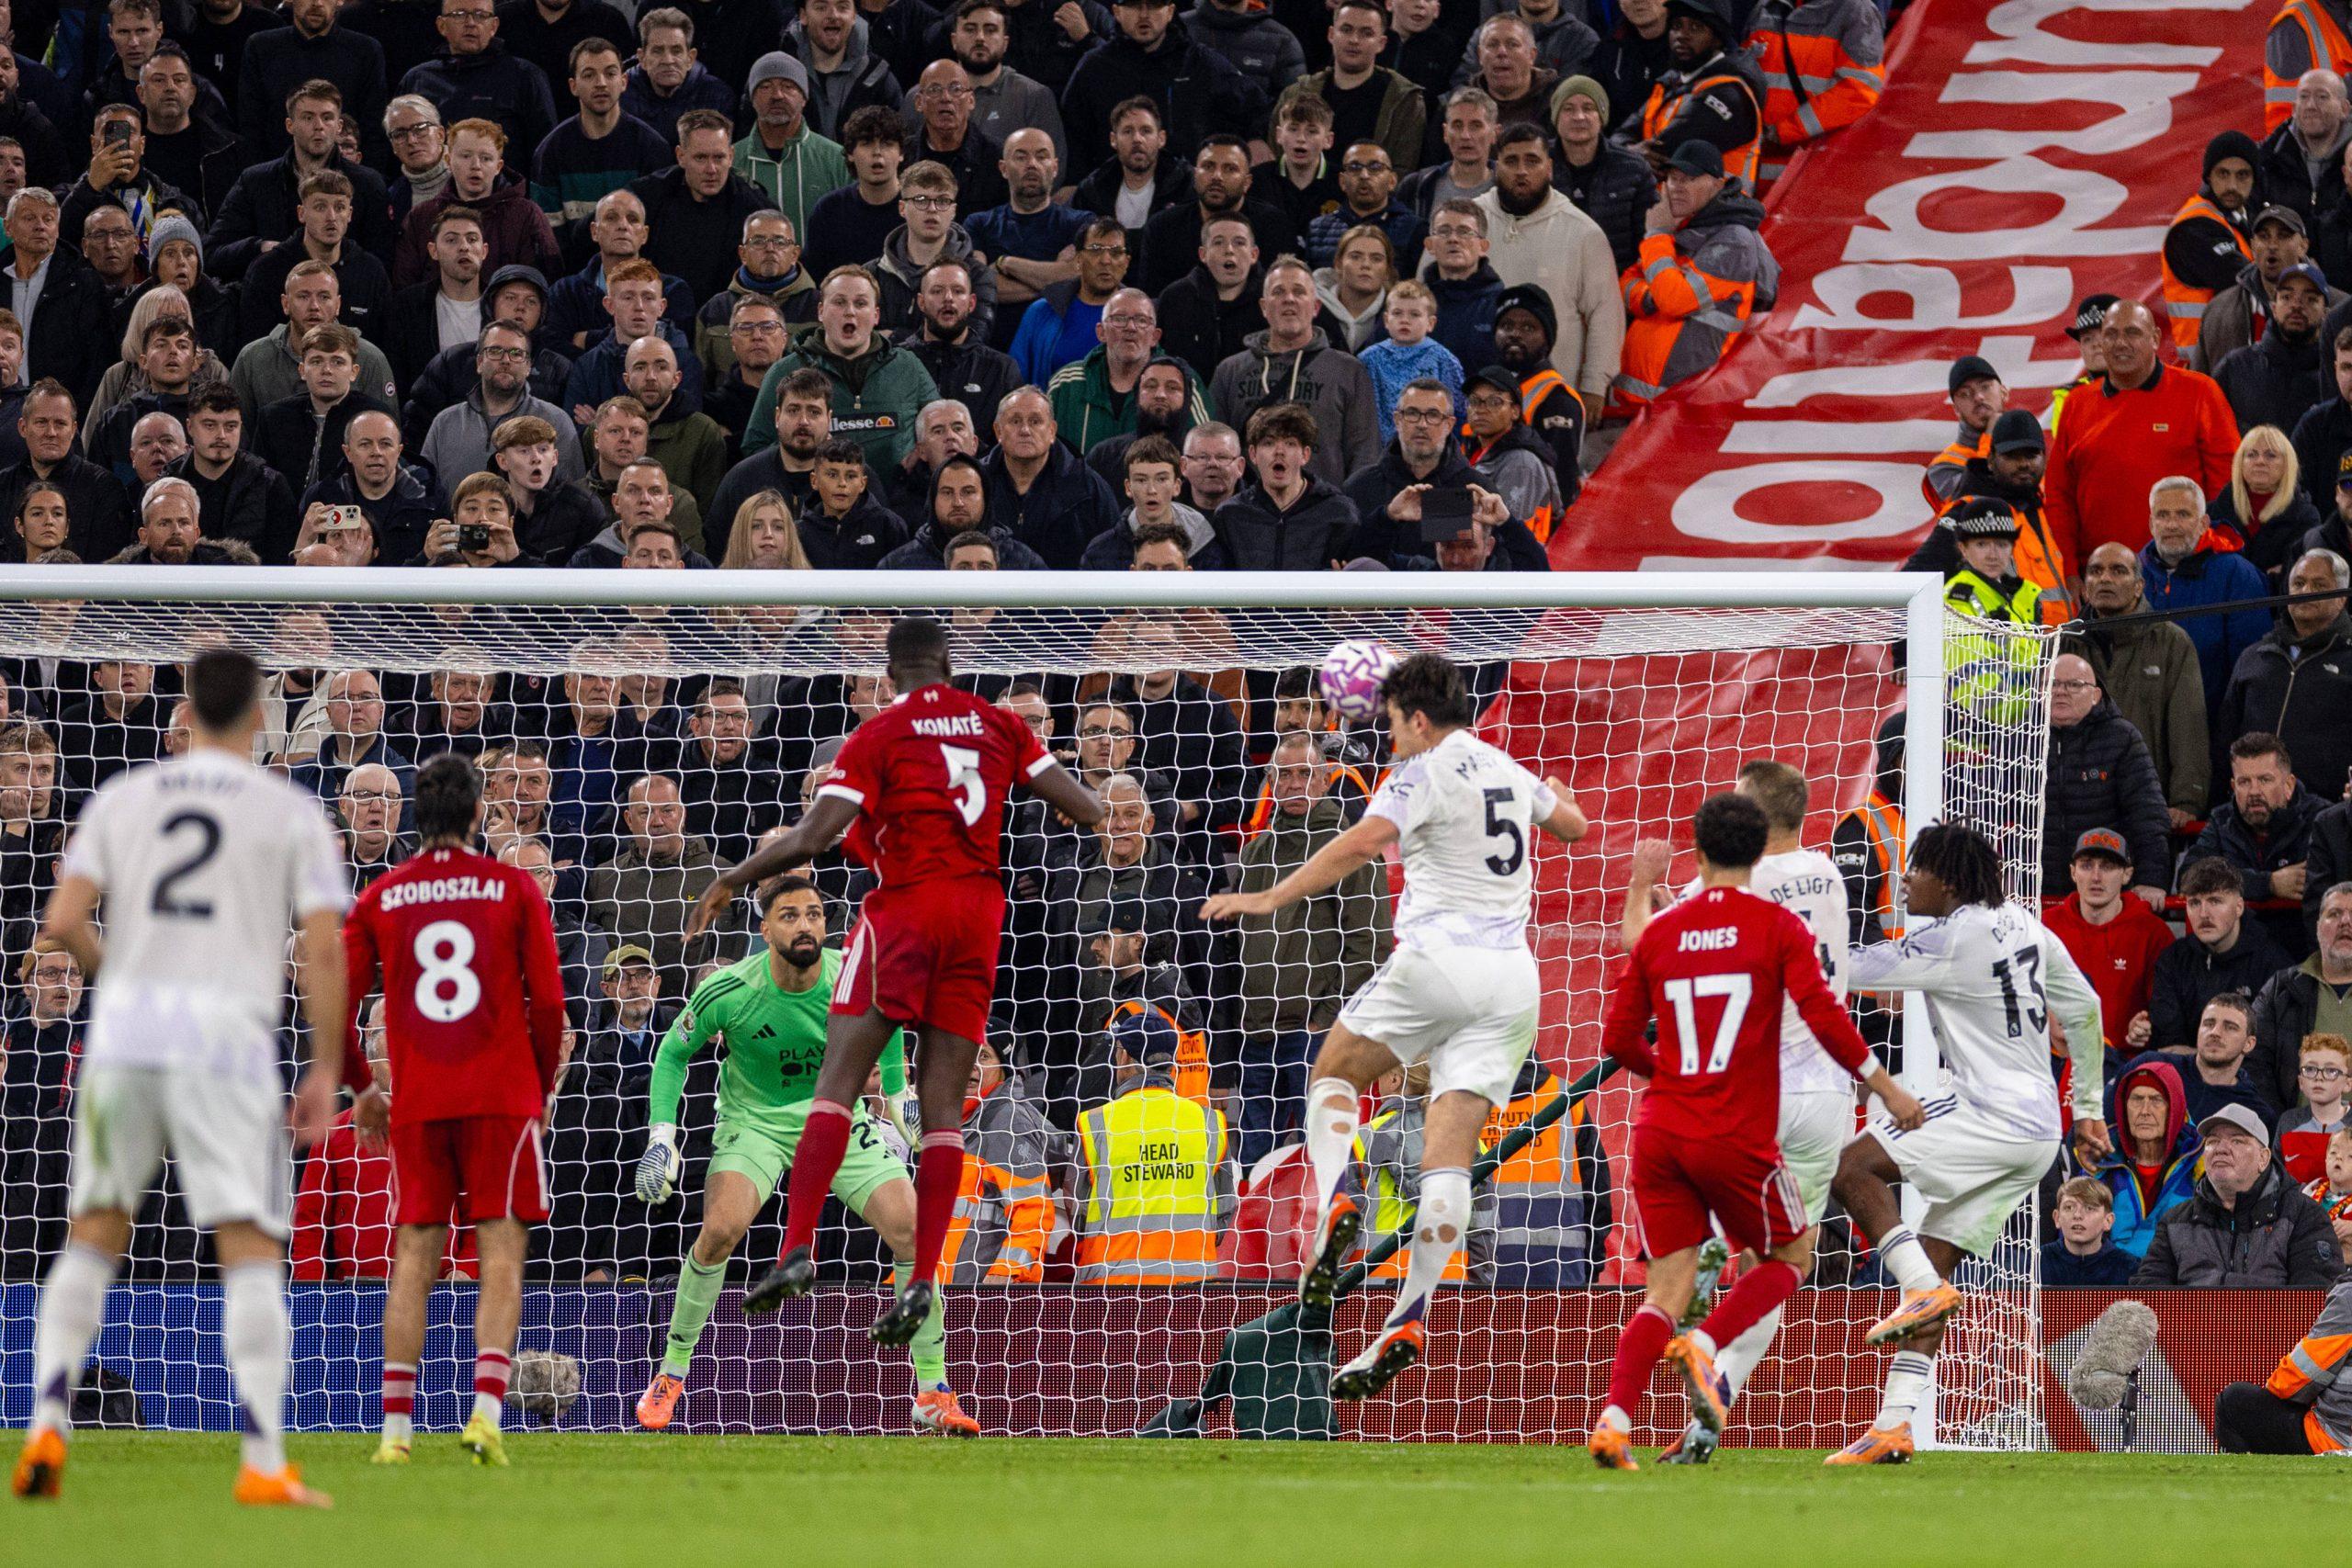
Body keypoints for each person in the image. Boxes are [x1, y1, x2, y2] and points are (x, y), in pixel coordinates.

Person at [684, 616, 1104, 1340]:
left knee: (838, 1083)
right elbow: (1090, 809)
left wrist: (733, 876)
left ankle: (795, 1250)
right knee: (944, 1110)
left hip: (907, 907)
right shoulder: (1001, 724)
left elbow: (813, 837)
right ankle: (920, 1280)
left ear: (891, 670)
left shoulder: (878, 736)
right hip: (978, 912)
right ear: (950, 662)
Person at [10, 649, 348, 1507]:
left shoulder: (123, 797)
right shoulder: (288, 810)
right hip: (225, 1045)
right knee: (247, 1248)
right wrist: (327, 1063)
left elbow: (59, 920)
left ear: (185, 711)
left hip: (123, 1040)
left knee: (91, 1233)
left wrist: (120, 971)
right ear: (260, 717)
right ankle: (264, 1460)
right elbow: (322, 943)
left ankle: (47, 1418)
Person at [1201, 654, 1587, 1400]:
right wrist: (1559, 799)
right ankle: (1409, 1316)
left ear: (1417, 718)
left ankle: (1334, 1198)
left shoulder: (1425, 768)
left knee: (1332, 1073)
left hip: (1441, 957)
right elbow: (1571, 824)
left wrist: (1268, 896)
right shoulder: (1506, 764)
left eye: (1392, 726)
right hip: (1513, 981)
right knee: (1449, 1159)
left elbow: (1358, 842)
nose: (1390, 740)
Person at [1589, 790, 1917, 1471]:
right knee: (1791, 1257)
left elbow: (1619, 1037)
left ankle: (1616, 1420)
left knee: (1663, 1290)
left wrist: (1670, 1075)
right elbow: (1827, 1017)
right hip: (1734, 1129)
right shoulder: (1776, 926)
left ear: (1700, 850)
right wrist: (1884, 1085)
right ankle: (1708, 1345)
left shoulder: (1662, 930)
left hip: (1659, 1131)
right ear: (1760, 842)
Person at [631, 874, 980, 1436]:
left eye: (814, 913)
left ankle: (933, 1390)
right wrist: (661, 1139)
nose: (805, 924)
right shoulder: (731, 990)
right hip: (754, 1125)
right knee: (719, 1232)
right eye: (790, 915)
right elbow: (673, 1054)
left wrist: (896, 1094)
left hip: (838, 1118)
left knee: (914, 1230)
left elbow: (887, 1022)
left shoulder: (852, 976)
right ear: (766, 928)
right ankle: (671, 1372)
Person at [1826, 821, 2108, 1465]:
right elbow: (2087, 1006)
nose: (1905, 879)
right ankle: (1895, 1426)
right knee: (1932, 1257)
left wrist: (1826, 912)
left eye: (1916, 868)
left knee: (1851, 1169)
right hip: (2039, 1129)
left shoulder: (1952, 936)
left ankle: (1920, 1287)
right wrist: (2088, 1106)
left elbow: (1853, 969)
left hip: (1989, 1111)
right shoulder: (2028, 923)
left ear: (1948, 881)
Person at [341, 751, 563, 1468]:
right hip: (501, 1097)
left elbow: (334, 1008)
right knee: (500, 1253)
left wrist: (364, 1089)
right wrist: (541, 1087)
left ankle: (395, 1436)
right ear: (476, 813)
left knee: (413, 1255)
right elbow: (551, 1003)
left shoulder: (381, 898)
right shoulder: (513, 887)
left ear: (418, 817)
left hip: (420, 1098)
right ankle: (486, 1416)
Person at [1227, 728, 1392, 1167]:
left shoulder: (1349, 847)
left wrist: (1326, 1020)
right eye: (1284, 774)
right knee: (1255, 1173)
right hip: (1256, 1037)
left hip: (1311, 1037)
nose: (1295, 783)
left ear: (1324, 779)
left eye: (1306, 773)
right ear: (1269, 780)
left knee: (1315, 1166)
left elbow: (1370, 944)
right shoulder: (1256, 851)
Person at [2044, 299, 2241, 569]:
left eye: (2133, 332)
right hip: (2104, 580)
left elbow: (2228, 488)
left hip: (2185, 571)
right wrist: (2068, 570)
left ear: (2156, 338)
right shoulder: (2076, 404)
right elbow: (2059, 498)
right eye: (2111, 334)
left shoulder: (2200, 392)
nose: (2121, 343)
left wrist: (2213, 561)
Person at [1610, 138, 1769, 419]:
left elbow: (1674, 300)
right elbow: (1626, 282)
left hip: (1679, 414)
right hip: (1634, 406)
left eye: (1690, 178)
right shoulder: (1678, 227)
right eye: (1672, 178)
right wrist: (1649, 296)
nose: (1677, 186)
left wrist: (1657, 236)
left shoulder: (1734, 241)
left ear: (1718, 185)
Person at [2063, 541, 2211, 823]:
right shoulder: (2063, 642)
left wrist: (2187, 799)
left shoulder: (2171, 641)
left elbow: (2187, 725)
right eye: (2095, 571)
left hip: (2147, 806)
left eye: (2118, 571)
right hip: (2075, 804)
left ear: (2139, 586)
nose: (2105, 578)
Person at [1210, 256, 1380, 488]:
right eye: (1278, 292)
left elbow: (1364, 454)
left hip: (1324, 513)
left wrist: (1346, 513)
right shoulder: (1229, 371)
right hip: (1248, 513)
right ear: (1263, 307)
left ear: (1316, 307)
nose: (1289, 299)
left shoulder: (1348, 371)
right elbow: (1215, 449)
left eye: (1299, 292)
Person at [2134, 1101, 2344, 1287]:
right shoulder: (2175, 1221)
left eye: (2237, 1141)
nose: (2221, 1149)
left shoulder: (2304, 1216)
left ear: (2263, 1158)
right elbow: (2149, 1298)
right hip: (2193, 1331)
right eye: (2212, 1141)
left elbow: (2316, 1302)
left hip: (2275, 1331)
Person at [2216, 548, 2352, 807]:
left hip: (2329, 813)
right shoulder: (2254, 657)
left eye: (2319, 584)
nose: (2305, 591)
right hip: (2253, 812)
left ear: (2342, 598)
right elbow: (2226, 736)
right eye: (2298, 583)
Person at [2041, 652, 2170, 903]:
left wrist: (2152, 880)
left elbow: (2147, 814)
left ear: (2096, 695)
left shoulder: (2122, 738)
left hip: (2106, 895)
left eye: (2074, 685)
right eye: (2053, 684)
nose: (2060, 691)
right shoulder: (2020, 740)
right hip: (2036, 893)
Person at [2140, 474, 2271, 714]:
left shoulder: (2238, 575)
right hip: (2144, 721)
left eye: (2183, 514)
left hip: (2212, 722)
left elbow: (2250, 664)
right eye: (2163, 515)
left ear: (2203, 523)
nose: (2172, 525)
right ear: (2151, 524)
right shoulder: (2133, 575)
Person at [2189, 732, 2326, 958]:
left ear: (2289, 784)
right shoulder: (2220, 820)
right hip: (2238, 958)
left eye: (2265, 780)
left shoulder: (2320, 818)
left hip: (2305, 956)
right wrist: (2268, 884)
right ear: (2234, 786)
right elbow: (2192, 874)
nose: (2254, 792)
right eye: (2244, 782)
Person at [2044, 828, 2176, 1060]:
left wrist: (2148, 1025)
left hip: (2126, 1064)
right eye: (2086, 865)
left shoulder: (2153, 933)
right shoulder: (2045, 926)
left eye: (2107, 866)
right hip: (2056, 1060)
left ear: (2127, 874)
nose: (2096, 877)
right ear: (2073, 872)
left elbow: (2166, 1011)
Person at [2147, 856, 2292, 1054]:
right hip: (2185, 1077)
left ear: (2239, 906)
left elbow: (2269, 1049)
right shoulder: (2173, 960)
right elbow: (2168, 1046)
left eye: (2215, 901)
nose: (2204, 914)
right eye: (2195, 903)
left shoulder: (2273, 964)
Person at [529, 35, 674, 223]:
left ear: (623, 81)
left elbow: (659, 227)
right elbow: (549, 237)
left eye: (610, 73)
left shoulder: (652, 147)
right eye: (589, 75)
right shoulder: (550, 151)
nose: (601, 83)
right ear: (573, 86)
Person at [2214, 1265, 2352, 1451]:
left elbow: (2297, 1380)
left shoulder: (2348, 1298)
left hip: (2337, 1439)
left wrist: (2273, 1391)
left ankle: (2245, 1478)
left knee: (2233, 1401)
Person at [2252, 882, 2352, 1114]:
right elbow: (2255, 1062)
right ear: (2318, 927)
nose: (2345, 922)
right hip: (2296, 1141)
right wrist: (2283, 1127)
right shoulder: (2282, 988)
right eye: (2334, 914)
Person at [2163, 130, 2257, 367]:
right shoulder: (2194, 226)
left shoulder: (2235, 220)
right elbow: (2247, 280)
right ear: (2208, 177)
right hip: (2204, 366)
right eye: (2223, 174)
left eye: (2242, 175)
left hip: (2225, 358)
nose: (2232, 186)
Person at [2039, 1176, 2136, 1287]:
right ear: (2057, 1218)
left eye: (2089, 1208)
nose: (2077, 1215)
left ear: (2108, 1221)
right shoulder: (2034, 1263)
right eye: (2069, 1207)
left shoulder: (2130, 1269)